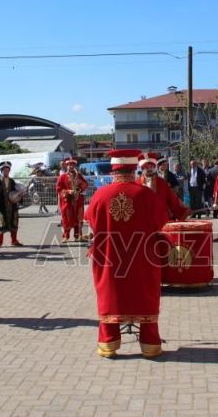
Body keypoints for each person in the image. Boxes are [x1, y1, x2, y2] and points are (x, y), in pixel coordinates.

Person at [85, 148, 170, 359]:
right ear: (134, 169)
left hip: (109, 257)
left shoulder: (100, 194)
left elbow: (92, 222)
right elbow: (161, 222)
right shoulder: (146, 194)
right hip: (142, 256)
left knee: (110, 296)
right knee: (144, 295)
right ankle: (150, 344)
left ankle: (109, 344)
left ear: (113, 170)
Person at [138, 152, 190, 221]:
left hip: (161, 217)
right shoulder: (137, 183)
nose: (149, 169)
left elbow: (172, 198)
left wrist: (183, 211)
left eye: (151, 167)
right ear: (142, 168)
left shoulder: (162, 183)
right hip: (143, 218)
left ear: (154, 167)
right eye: (146, 167)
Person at [56, 158, 88, 242]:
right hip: (68, 200)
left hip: (78, 200)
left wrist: (79, 188)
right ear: (67, 166)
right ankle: (66, 236)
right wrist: (68, 191)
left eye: (73, 165)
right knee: (67, 218)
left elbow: (85, 185)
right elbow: (59, 188)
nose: (71, 166)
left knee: (79, 218)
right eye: (69, 165)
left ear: (75, 166)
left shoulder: (79, 175)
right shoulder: (62, 177)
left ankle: (78, 236)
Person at [0, 161, 22, 247]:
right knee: (1, 223)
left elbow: (15, 192)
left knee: (14, 222)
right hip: (1, 206)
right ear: (1, 171)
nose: (6, 172)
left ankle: (14, 240)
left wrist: (19, 195)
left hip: (12, 205)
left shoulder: (12, 181)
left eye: (7, 170)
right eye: (4, 171)